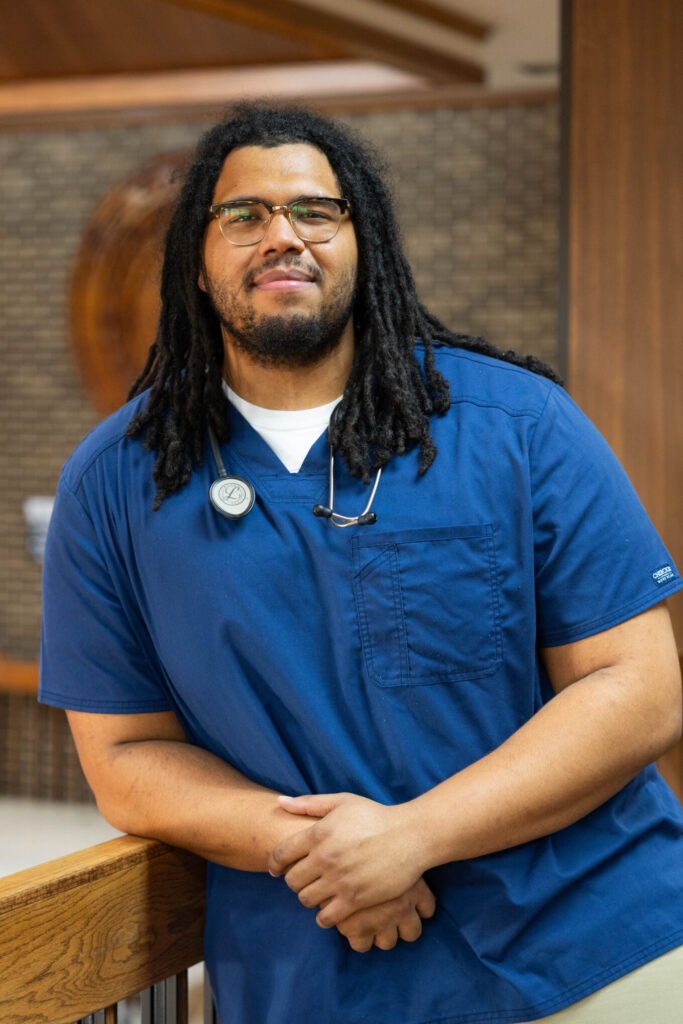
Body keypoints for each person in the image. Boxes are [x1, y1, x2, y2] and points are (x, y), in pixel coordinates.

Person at [39, 102, 683, 1024]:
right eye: (244, 216)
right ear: (196, 257)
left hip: (596, 941)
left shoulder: (521, 427)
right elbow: (125, 757)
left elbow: (639, 686)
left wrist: (414, 836)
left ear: (362, 241)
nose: (282, 236)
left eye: (315, 211)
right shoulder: (115, 481)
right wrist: (318, 848)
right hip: (315, 974)